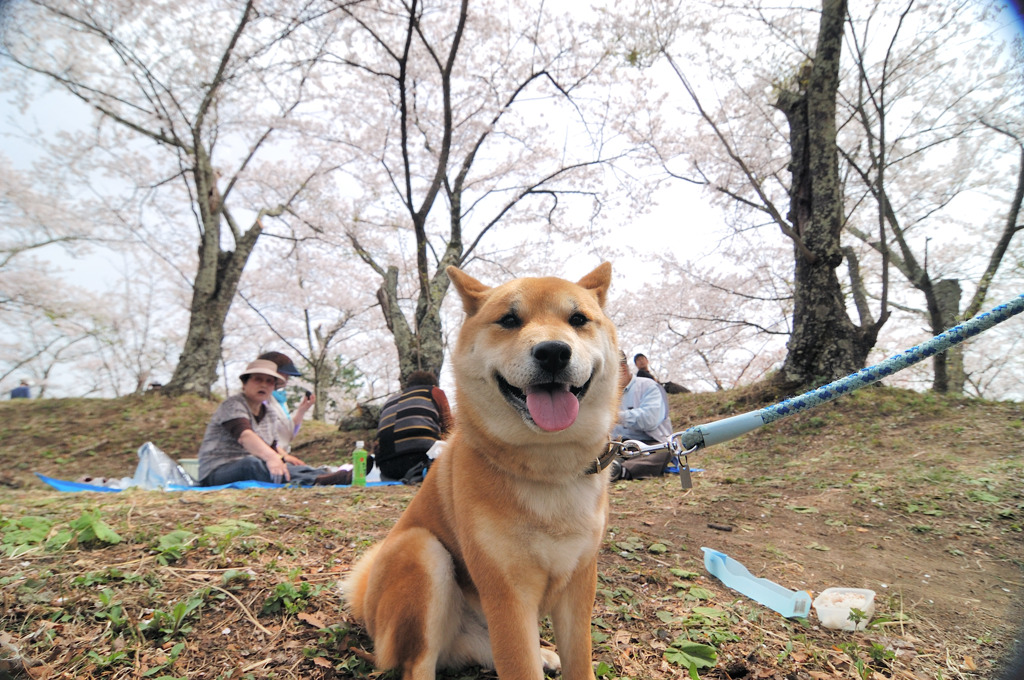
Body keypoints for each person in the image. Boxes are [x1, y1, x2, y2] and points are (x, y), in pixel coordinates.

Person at [196, 359, 340, 486]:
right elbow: (245, 435)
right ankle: (317, 481)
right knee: (252, 464)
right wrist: (272, 457)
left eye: (269, 381)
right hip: (218, 469)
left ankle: (329, 475)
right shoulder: (232, 405)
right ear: (244, 384)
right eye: (258, 380)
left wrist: (283, 458)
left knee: (284, 465)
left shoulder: (270, 413)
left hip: (258, 462)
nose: (264, 385)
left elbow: (272, 446)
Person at [375, 370, 453, 481]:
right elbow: (450, 428)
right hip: (421, 460)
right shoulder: (435, 392)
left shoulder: (390, 400)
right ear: (433, 385)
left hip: (386, 467)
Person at [610, 352, 673, 481]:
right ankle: (612, 466)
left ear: (621, 369)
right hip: (618, 444)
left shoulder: (649, 386)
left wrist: (616, 416)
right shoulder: (607, 393)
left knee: (663, 451)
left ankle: (620, 470)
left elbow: (650, 419)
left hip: (650, 442)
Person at [257, 351, 315, 452]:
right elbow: (259, 438)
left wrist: (302, 411)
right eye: (284, 374)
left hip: (280, 456)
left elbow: (287, 434)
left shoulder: (278, 400)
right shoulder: (257, 401)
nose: (287, 378)